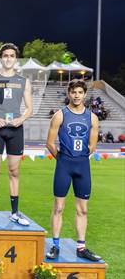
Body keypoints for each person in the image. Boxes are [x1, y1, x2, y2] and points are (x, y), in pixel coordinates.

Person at [46, 79, 101, 262]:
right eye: (73, 92)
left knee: (83, 209)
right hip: (64, 165)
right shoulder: (60, 115)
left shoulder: (92, 117)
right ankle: (55, 245)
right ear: (69, 93)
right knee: (59, 207)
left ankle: (81, 247)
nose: (76, 96)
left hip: (82, 166)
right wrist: (62, 159)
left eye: (80, 92)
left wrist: (79, 157)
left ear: (84, 94)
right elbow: (50, 143)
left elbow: (92, 145)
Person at [0, 43, 33, 225]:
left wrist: (21, 119)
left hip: (15, 130)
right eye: (5, 55)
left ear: (16, 59)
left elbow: (30, 108)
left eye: (12, 55)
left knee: (14, 172)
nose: (8, 58)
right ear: (0, 58)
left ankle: (15, 212)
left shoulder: (24, 81)